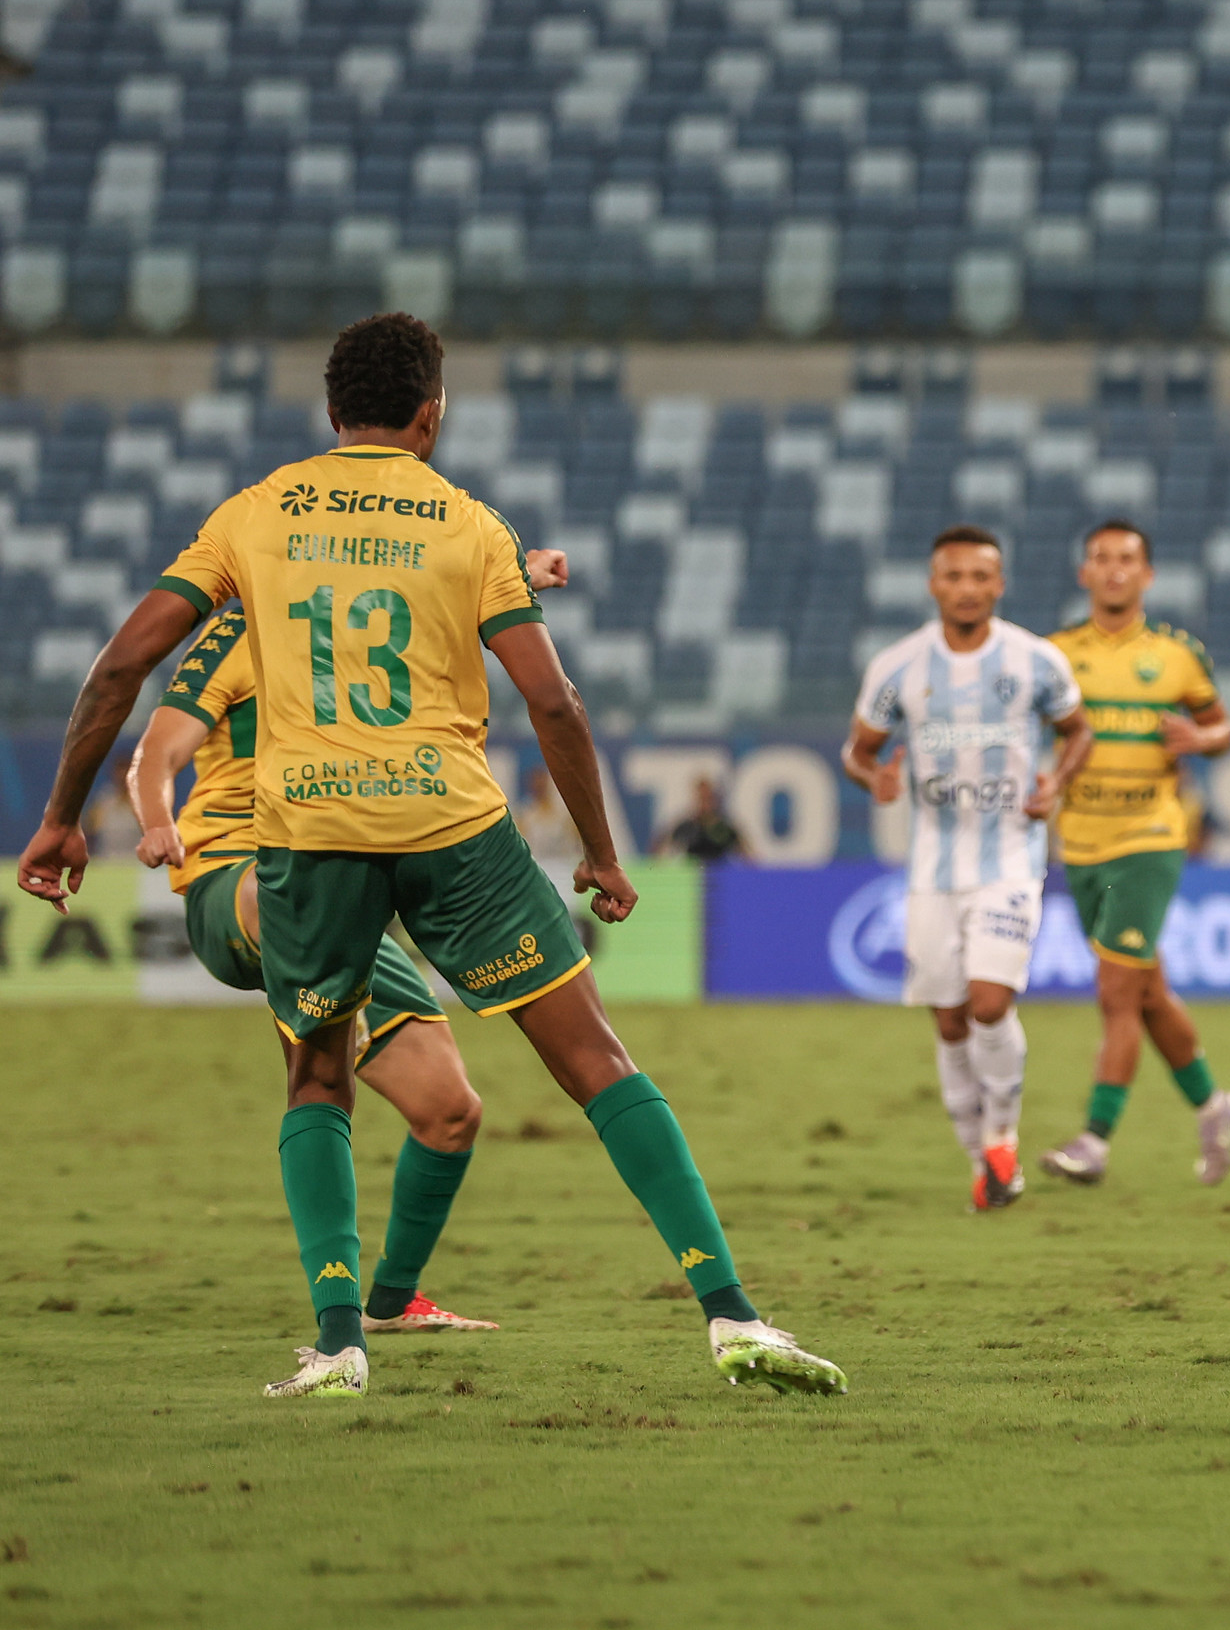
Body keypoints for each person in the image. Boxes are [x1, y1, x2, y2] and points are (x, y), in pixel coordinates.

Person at [18, 312, 845, 1401]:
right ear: (431, 414)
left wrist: (63, 815)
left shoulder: (255, 514)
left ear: (330, 413)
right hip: (450, 825)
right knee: (597, 1060)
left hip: (308, 837)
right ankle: (733, 1317)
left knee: (317, 1074)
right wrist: (599, 850)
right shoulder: (466, 523)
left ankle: (337, 1341)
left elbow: (121, 665)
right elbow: (551, 696)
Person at [121, 549, 569, 1334]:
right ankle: (324, 992)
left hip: (339, 893)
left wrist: (519, 568)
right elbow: (156, 749)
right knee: (285, 894)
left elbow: (436, 589)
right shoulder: (239, 634)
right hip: (237, 882)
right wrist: (158, 819)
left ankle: (393, 1302)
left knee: (450, 1111)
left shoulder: (360, 621)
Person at [841, 525, 1092, 1211]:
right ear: (934, 584)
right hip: (932, 868)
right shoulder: (898, 667)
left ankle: (1003, 1139)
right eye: (954, 576)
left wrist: (1058, 782)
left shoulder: (1035, 661)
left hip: (1012, 857)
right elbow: (858, 751)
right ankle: (981, 1158)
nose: (967, 588)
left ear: (999, 584)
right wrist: (875, 780)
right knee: (949, 1021)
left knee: (989, 1003)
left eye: (981, 577)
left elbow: (1079, 730)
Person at [1036, 522, 1230, 1187]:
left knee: (1116, 990)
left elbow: (1221, 728)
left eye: (1127, 559)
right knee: (1147, 990)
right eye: (1101, 558)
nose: (1115, 570)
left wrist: (1199, 736)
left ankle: (1094, 1141)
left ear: (1147, 574)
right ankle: (1214, 1106)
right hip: (1080, 839)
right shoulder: (1054, 654)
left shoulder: (1178, 655)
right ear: (1085, 573)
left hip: (1151, 837)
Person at [664, 775, 747, 861]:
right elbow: (661, 855)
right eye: (702, 799)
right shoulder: (685, 827)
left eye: (708, 799)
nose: (705, 804)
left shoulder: (725, 828)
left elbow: (749, 859)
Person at [513, 763, 584, 860]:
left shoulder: (566, 813)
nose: (540, 784)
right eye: (536, 780)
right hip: (538, 868)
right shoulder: (523, 815)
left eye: (543, 780)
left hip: (565, 868)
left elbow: (580, 843)